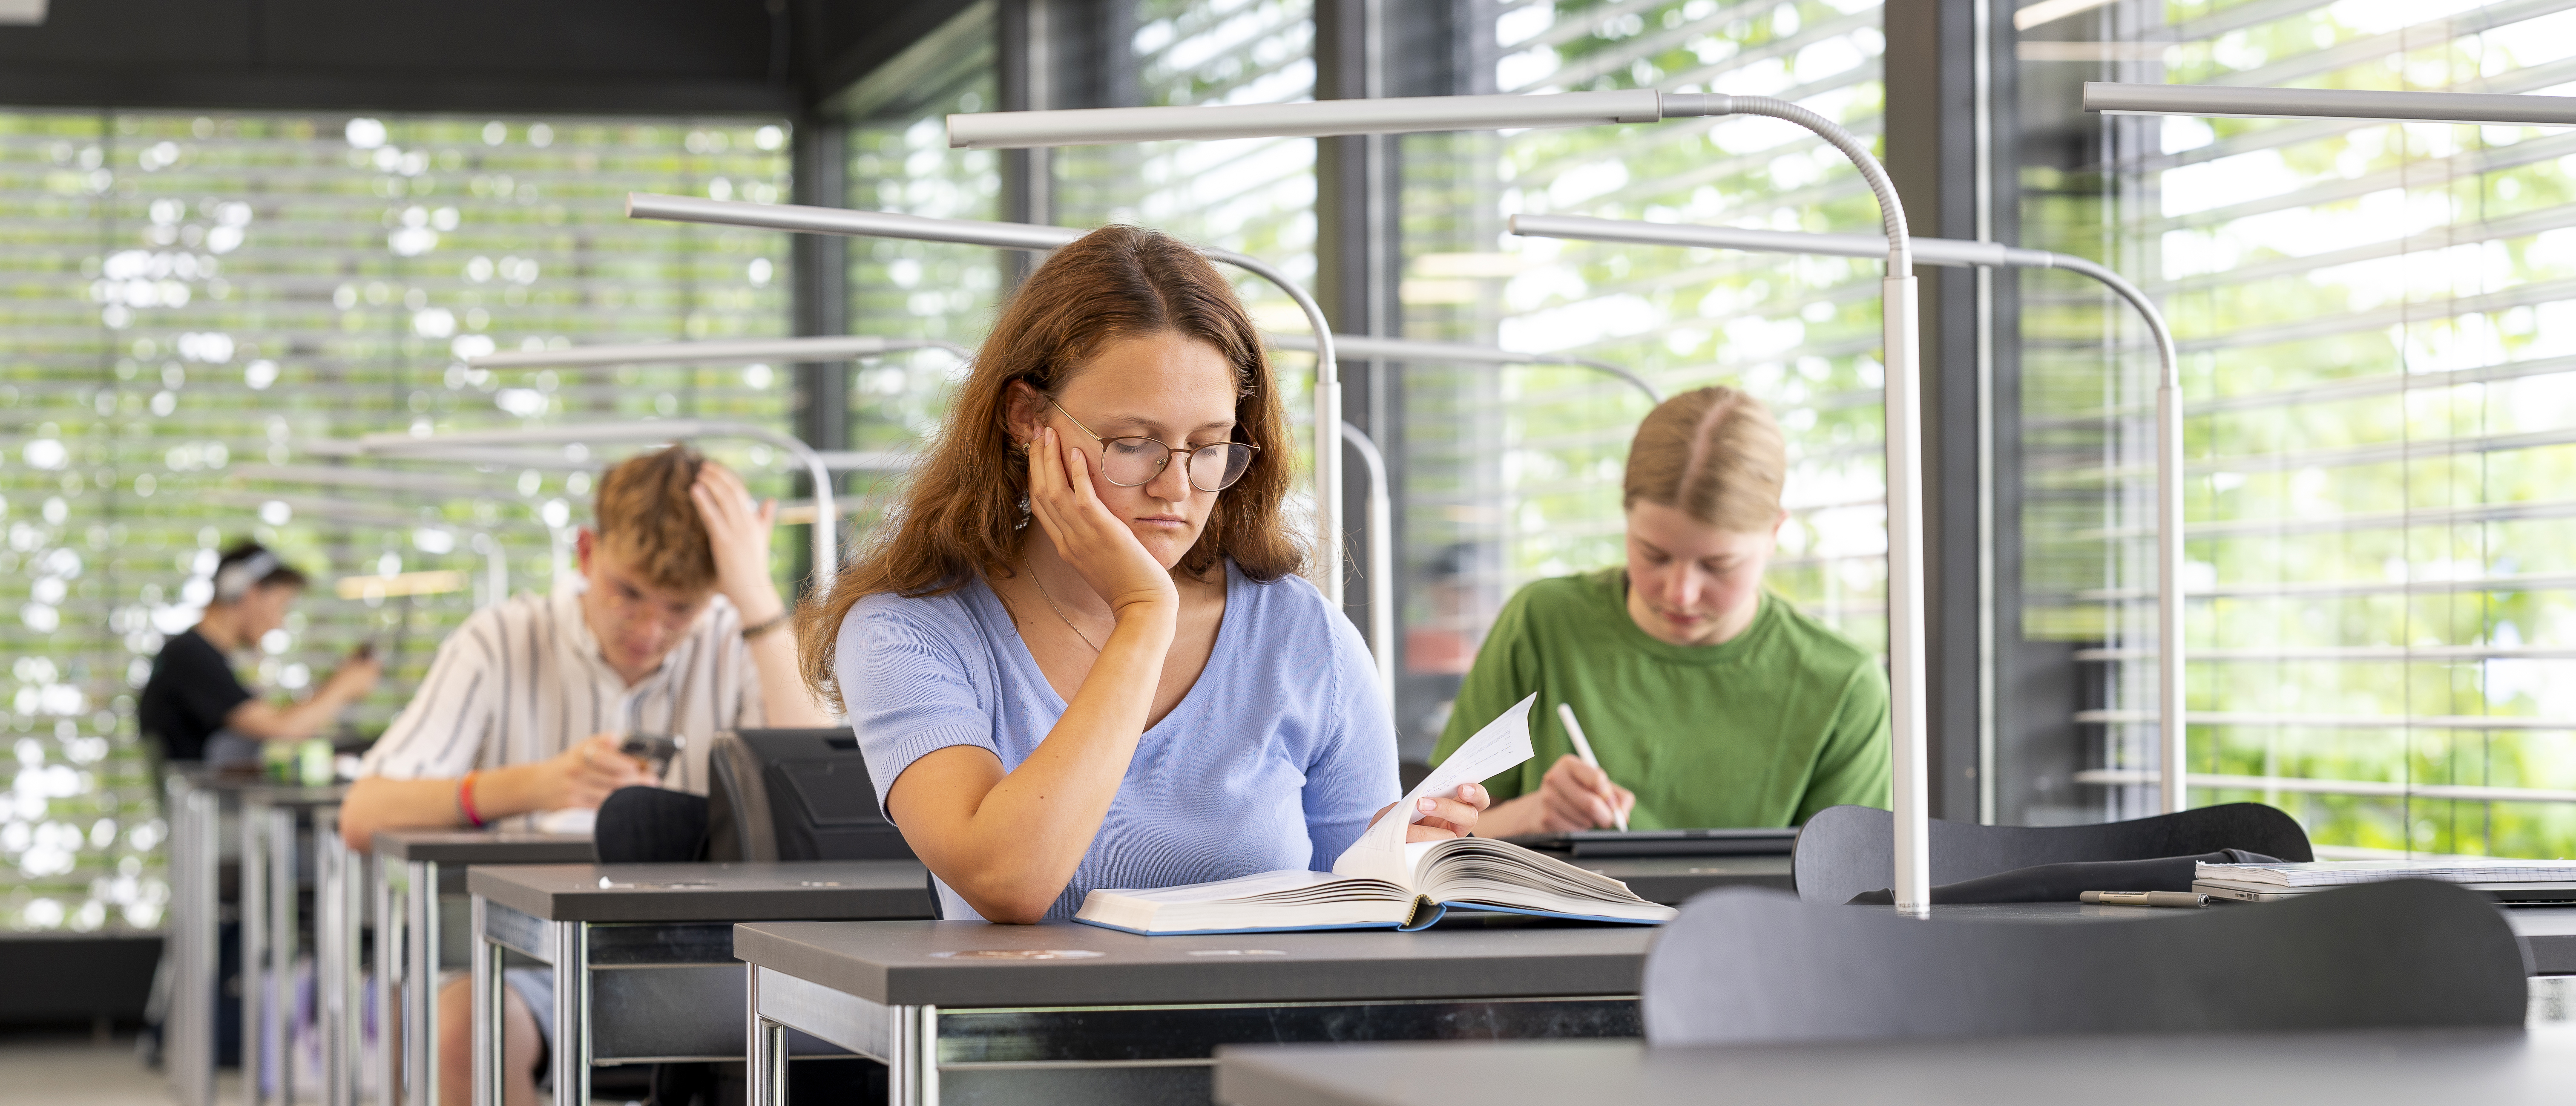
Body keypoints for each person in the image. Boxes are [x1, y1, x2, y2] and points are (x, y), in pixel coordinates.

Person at [802, 225, 1486, 926]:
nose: (1175, 487)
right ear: (1026, 417)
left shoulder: (1303, 635)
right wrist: (1143, 613)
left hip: (1275, 1029)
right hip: (1019, 1032)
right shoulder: (908, 628)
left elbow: (1357, 907)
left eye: (1208, 447)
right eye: (1132, 445)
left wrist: (1411, 863)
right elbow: (1006, 880)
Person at [339, 446, 830, 1106]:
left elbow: (818, 804)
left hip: (714, 959)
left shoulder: (740, 642)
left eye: (679, 608)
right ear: (586, 554)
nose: (649, 629)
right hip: (530, 961)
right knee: (458, 1032)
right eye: (627, 593)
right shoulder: (501, 640)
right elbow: (362, 816)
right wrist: (536, 785)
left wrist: (757, 599)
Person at [1436, 386, 1891, 837]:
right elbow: (1423, 842)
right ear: (1626, 516)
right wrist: (1529, 819)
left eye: (1717, 565)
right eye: (1653, 554)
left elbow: (1850, 894)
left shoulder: (1844, 686)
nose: (1680, 594)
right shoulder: (1540, 623)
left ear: (1775, 532)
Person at [138, 541, 381, 769]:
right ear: (248, 592)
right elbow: (283, 729)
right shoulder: (190, 657)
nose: (280, 622)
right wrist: (343, 687)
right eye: (281, 606)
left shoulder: (199, 658)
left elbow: (274, 721)